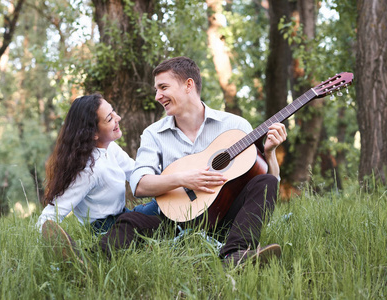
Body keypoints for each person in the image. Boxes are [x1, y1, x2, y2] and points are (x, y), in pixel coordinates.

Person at [94, 56, 287, 268]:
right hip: (175, 219)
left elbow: (270, 182)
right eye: (156, 89)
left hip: (224, 216)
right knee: (129, 222)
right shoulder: (153, 133)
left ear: (188, 85)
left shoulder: (235, 126)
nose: (158, 96)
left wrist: (269, 153)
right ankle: (85, 259)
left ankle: (235, 254)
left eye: (163, 87)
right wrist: (183, 179)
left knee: (266, 182)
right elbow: (140, 185)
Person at [36, 94, 158, 261]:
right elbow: (51, 213)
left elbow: (136, 172)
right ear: (93, 133)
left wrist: (173, 179)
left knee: (162, 208)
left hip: (125, 216)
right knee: (151, 221)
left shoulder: (110, 148)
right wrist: (48, 236)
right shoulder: (88, 170)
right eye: (110, 118)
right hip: (108, 229)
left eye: (113, 112)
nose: (118, 118)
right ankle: (82, 259)